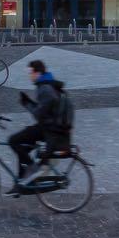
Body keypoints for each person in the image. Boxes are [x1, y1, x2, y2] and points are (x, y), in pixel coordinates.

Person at [8, 60, 72, 192]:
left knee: (13, 140)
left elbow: (39, 114)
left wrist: (27, 103)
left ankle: (33, 170)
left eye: (30, 72)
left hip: (49, 129)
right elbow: (44, 109)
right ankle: (20, 184)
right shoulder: (47, 84)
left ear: (37, 72)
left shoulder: (44, 89)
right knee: (23, 147)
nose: (29, 75)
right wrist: (30, 102)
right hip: (50, 126)